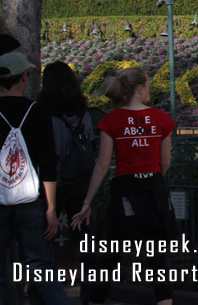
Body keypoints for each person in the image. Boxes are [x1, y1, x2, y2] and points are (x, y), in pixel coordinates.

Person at [72, 68, 176, 305]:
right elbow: (166, 161)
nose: (149, 89)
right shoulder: (162, 119)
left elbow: (103, 163)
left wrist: (88, 201)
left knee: (112, 254)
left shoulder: (112, 120)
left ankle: (96, 301)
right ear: (140, 89)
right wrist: (151, 177)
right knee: (158, 257)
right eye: (148, 85)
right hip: (154, 188)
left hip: (125, 191)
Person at [0, 52, 68, 304]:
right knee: (41, 266)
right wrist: (51, 208)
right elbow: (48, 164)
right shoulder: (37, 112)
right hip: (31, 200)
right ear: (23, 78)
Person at [40, 62, 96, 304]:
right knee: (87, 245)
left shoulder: (42, 114)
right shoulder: (83, 112)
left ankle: (48, 296)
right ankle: (90, 296)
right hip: (81, 185)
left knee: (43, 245)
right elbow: (92, 147)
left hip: (51, 184)